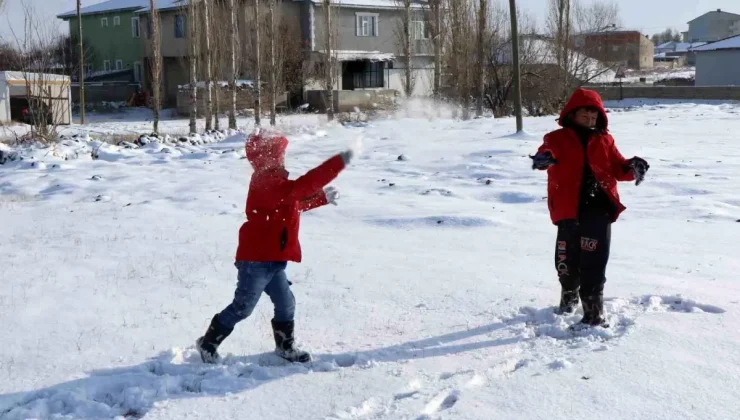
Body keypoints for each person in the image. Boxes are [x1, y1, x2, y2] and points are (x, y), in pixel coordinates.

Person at [196, 128, 352, 363]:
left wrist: (321, 199)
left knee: (286, 303)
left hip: (272, 260)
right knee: (243, 308)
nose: (282, 158)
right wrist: (339, 162)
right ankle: (208, 343)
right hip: (256, 261)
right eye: (279, 154)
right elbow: (301, 188)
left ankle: (285, 347)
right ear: (269, 157)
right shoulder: (265, 181)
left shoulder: (274, 181)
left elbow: (292, 204)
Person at [530, 88, 649, 329]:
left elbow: (618, 167)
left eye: (595, 116)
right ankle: (569, 297)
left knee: (593, 262)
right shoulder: (556, 139)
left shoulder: (605, 140)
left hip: (598, 209)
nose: (590, 120)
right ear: (572, 114)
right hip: (567, 210)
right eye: (585, 115)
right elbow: (546, 152)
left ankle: (594, 314)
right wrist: (543, 159)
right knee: (566, 261)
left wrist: (632, 167)